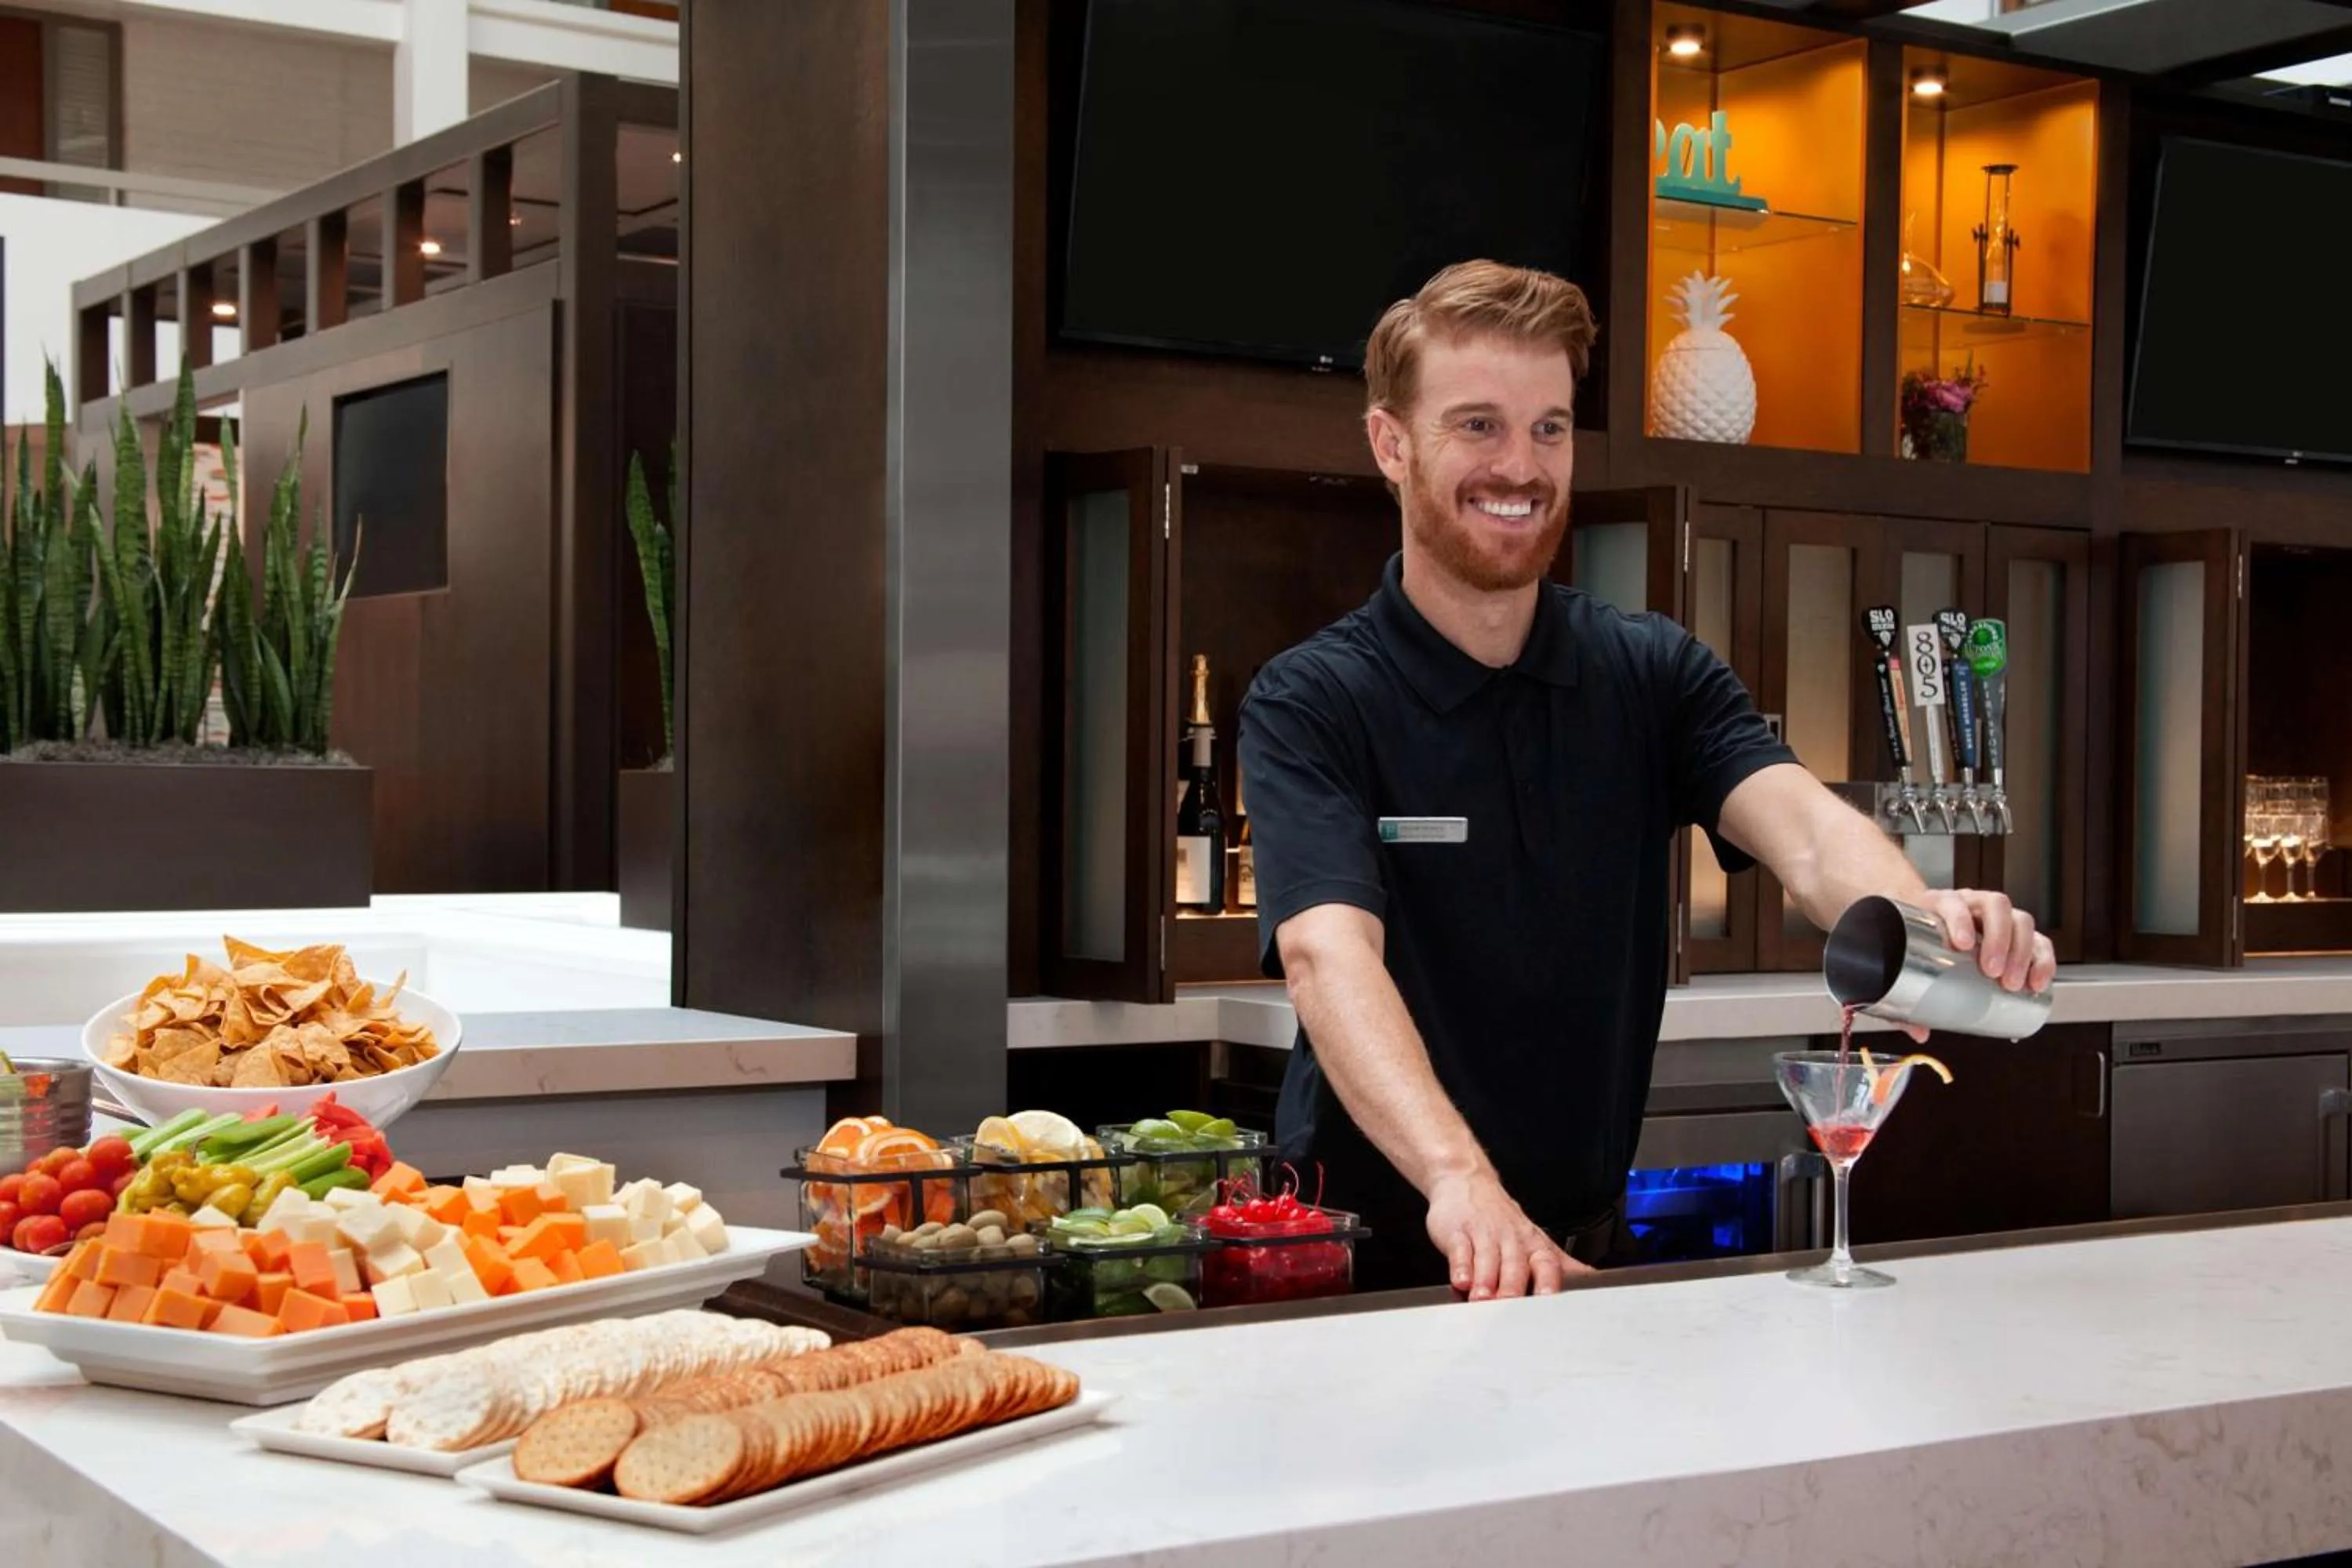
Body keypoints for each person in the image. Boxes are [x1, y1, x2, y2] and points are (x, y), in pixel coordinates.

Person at [1236, 260, 2056, 1301]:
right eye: (1477, 426)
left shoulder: (1649, 672)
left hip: (1579, 1247)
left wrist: (1921, 922)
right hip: (1361, 1260)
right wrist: (1459, 1182)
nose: (1521, 467)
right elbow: (1326, 953)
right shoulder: (1314, 699)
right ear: (1391, 444)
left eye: (1550, 429)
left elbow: (1803, 832)